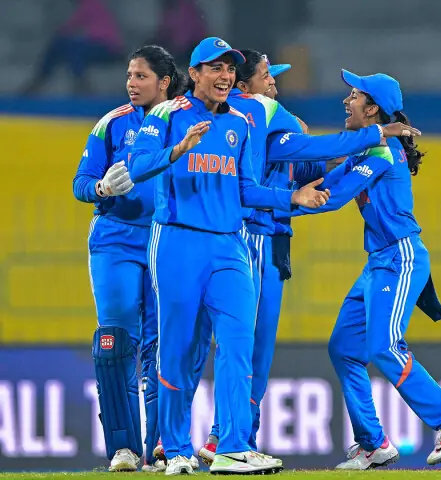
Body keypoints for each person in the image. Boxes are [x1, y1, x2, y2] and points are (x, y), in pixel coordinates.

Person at [196, 49, 423, 466]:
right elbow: (310, 165)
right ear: (245, 87)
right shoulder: (256, 116)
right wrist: (370, 138)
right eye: (268, 76)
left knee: (247, 346)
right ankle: (227, 438)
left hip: (270, 242)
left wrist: (339, 157)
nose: (275, 84)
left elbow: (307, 170)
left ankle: (231, 436)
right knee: (245, 345)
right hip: (253, 239)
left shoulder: (262, 127)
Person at [128, 36, 329, 475]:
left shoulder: (239, 122)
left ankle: (234, 446)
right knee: (177, 350)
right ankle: (176, 448)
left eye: (230, 69)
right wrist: (177, 151)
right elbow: (137, 168)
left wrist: (292, 196)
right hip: (178, 241)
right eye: (214, 68)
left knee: (238, 343)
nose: (224, 76)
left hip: (230, 244)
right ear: (194, 74)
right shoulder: (166, 114)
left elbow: (245, 189)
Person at [286, 69, 441, 469]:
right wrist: (281, 198)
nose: (346, 101)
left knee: (385, 346)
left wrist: (259, 202)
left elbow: (330, 196)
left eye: (354, 95)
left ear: (373, 109)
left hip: (399, 257)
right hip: (378, 262)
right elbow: (323, 182)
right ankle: (373, 443)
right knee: (344, 348)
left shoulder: (378, 153)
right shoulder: (366, 152)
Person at [72, 45, 189, 472]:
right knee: (116, 343)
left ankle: (159, 448)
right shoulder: (112, 123)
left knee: (162, 346)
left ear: (163, 81)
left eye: (140, 76)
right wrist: (102, 189)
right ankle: (123, 447)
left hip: (167, 241)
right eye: (128, 75)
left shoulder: (186, 120)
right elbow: (80, 183)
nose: (131, 83)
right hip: (115, 240)